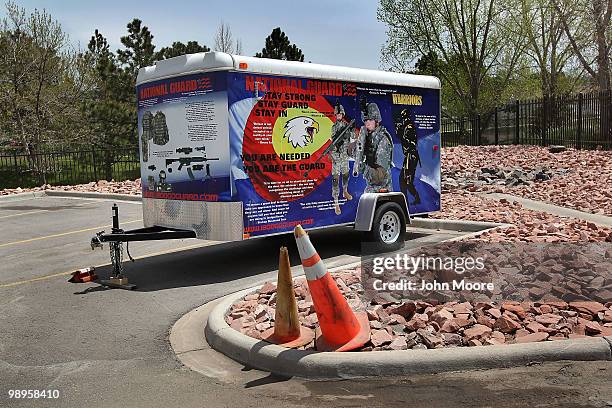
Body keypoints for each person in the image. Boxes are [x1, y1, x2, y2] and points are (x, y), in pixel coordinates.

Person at [355, 102, 393, 193]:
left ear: (377, 121)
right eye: (365, 120)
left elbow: (379, 177)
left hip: (382, 190)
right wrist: (354, 150)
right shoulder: (368, 137)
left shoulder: (383, 140)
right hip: (371, 187)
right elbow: (359, 151)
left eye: (370, 120)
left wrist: (362, 167)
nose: (367, 123)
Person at [329, 103, 354, 215]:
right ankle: (336, 202)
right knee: (335, 180)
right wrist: (334, 150)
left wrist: (351, 130)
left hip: (344, 156)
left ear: (342, 114)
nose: (339, 115)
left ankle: (345, 191)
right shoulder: (334, 127)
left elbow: (352, 137)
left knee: (346, 175)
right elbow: (333, 141)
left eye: (340, 114)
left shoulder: (346, 125)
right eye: (337, 114)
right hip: (336, 157)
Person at [395, 108, 421, 204]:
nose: (404, 120)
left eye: (405, 117)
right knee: (404, 181)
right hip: (409, 157)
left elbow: (411, 144)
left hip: (411, 157)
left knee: (406, 181)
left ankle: (409, 200)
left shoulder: (409, 128)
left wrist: (401, 134)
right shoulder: (406, 127)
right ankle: (408, 200)